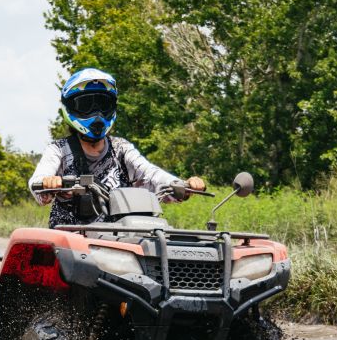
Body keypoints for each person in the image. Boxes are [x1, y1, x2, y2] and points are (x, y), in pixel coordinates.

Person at [29, 68, 205, 228]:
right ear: (71, 108)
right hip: (69, 242)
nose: (96, 113)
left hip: (120, 240)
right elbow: (37, 180)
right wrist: (48, 182)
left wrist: (180, 185)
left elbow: (150, 173)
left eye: (103, 105)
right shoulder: (59, 149)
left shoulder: (121, 148)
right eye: (86, 106)